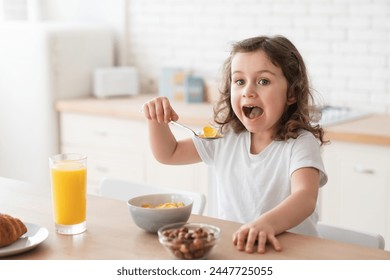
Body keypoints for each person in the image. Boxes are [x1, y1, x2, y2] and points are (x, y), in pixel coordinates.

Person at [141, 35, 328, 254]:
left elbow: (305, 197)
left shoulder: (301, 143)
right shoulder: (225, 137)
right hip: (238, 249)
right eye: (239, 81)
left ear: (291, 93)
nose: (248, 91)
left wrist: (266, 224)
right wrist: (156, 120)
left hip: (290, 252)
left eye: (263, 81)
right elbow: (169, 153)